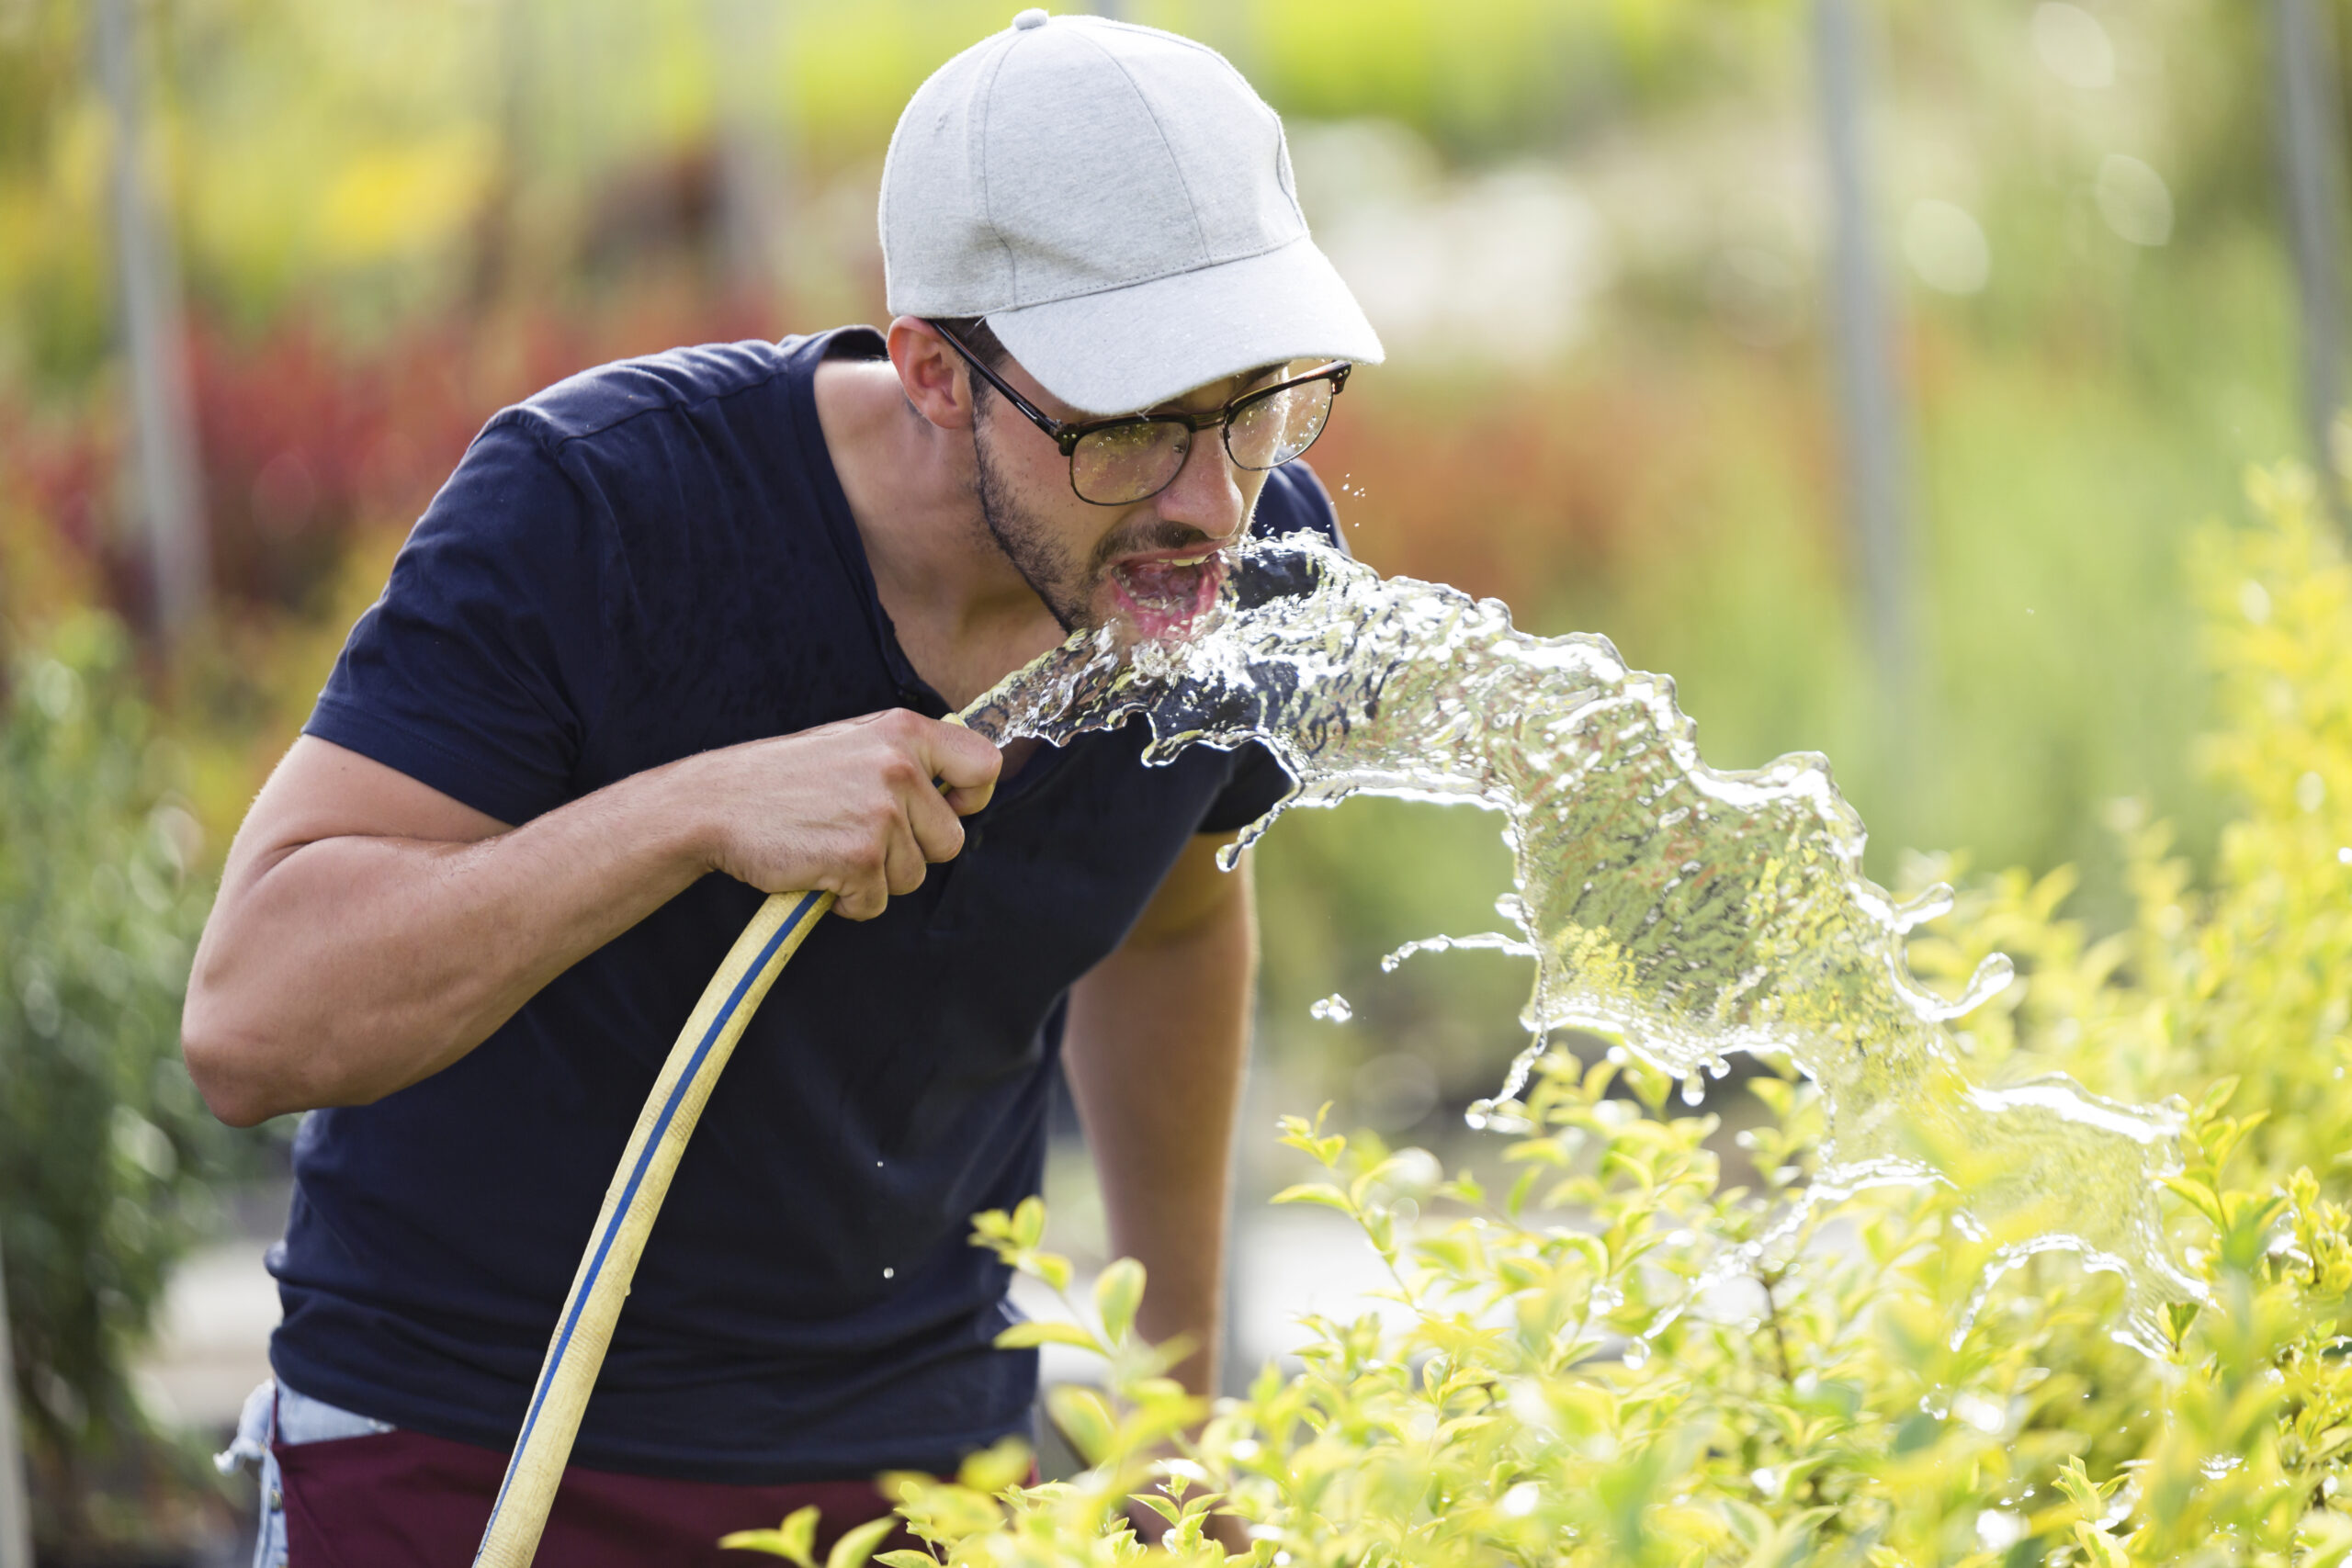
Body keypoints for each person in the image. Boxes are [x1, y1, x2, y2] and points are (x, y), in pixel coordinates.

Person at [183, 9, 1381, 1565]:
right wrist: (688, 812)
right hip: (478, 1443)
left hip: (922, 1466)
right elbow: (249, 1022)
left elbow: (1165, 920)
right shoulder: (601, 509)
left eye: (1250, 403)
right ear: (936, 371)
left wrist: (1171, 1409)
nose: (1209, 502)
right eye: (1136, 424)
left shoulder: (1249, 571)